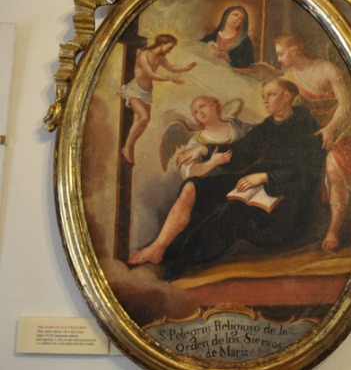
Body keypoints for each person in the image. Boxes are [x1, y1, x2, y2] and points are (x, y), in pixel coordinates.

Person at [129, 79, 325, 278]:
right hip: (257, 185)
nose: (265, 100)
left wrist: (266, 177)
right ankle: (159, 246)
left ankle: (177, 261)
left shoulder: (307, 126)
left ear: (287, 96)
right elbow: (240, 153)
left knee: (233, 211)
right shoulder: (267, 127)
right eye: (263, 96)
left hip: (287, 206)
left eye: (271, 95)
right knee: (194, 186)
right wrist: (205, 150)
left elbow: (309, 169)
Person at [274, 33, 351, 251]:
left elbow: (346, 106)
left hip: (346, 128)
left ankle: (333, 230)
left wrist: (331, 129)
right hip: (318, 132)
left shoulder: (327, 70)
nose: (279, 59)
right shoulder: (290, 77)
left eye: (281, 54)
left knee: (334, 167)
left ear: (295, 51)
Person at [129, 95, 252, 265]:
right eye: (195, 112)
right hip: (214, 193)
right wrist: (212, 163)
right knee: (190, 187)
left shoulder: (237, 126)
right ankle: (157, 247)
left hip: (245, 184)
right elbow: (190, 172)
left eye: (202, 106)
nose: (199, 112)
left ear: (214, 105)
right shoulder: (196, 140)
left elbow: (259, 142)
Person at [118, 34, 197, 164]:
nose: (169, 51)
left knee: (145, 121)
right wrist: (171, 78)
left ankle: (131, 145)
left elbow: (172, 68)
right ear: (162, 44)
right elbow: (151, 74)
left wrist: (187, 68)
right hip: (135, 90)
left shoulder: (160, 58)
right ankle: (126, 148)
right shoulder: (144, 55)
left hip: (147, 93)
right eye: (169, 47)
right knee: (143, 117)